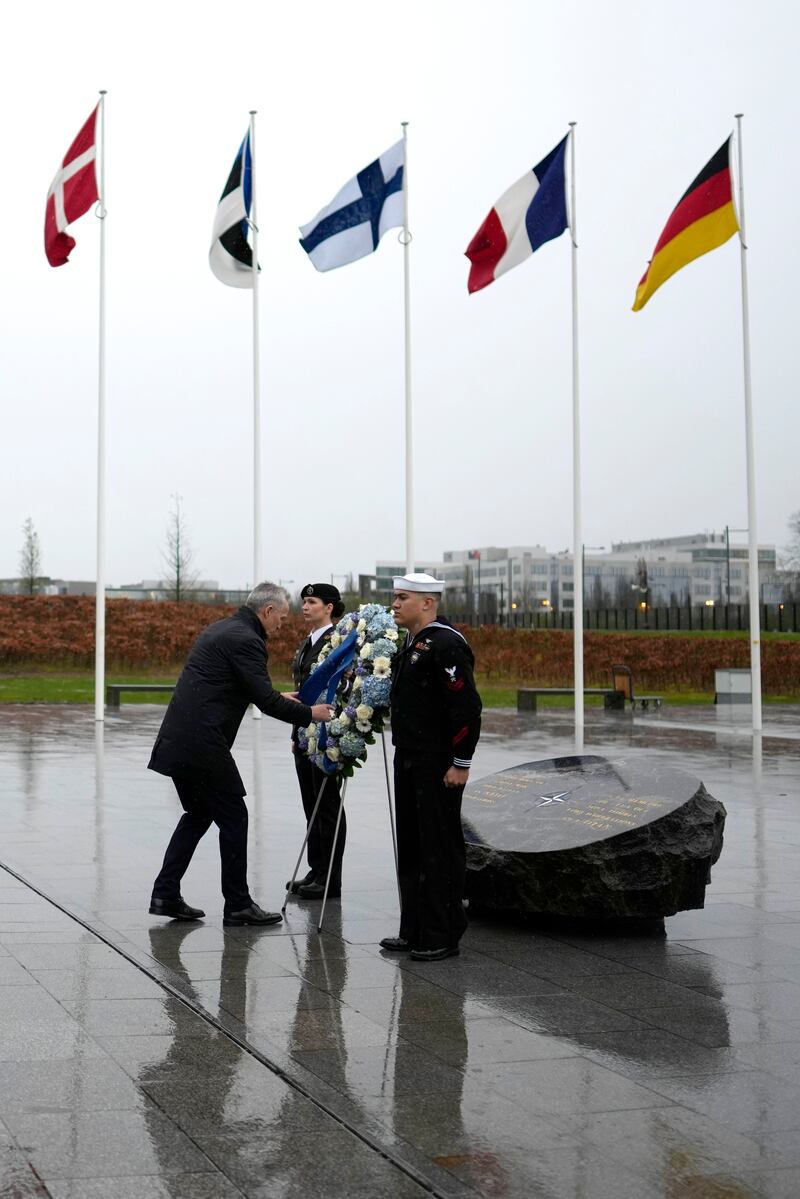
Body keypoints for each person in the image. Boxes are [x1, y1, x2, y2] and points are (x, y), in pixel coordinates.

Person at [148, 581, 334, 926]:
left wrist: (278, 694)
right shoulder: (248, 640)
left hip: (181, 740)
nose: (282, 623)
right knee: (234, 817)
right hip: (203, 745)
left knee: (199, 814)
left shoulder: (223, 628)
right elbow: (264, 700)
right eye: (281, 616)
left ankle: (166, 893)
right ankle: (237, 904)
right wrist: (312, 713)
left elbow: (241, 686)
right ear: (267, 611)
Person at [380, 573, 482, 961]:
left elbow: (466, 708)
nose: (395, 604)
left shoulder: (446, 644)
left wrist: (461, 762)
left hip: (438, 762)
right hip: (409, 754)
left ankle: (442, 933)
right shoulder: (413, 643)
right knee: (412, 845)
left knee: (438, 847)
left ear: (427, 602)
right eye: (394, 597)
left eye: (402, 597)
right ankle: (414, 928)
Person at [287, 582, 347, 900]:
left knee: (327, 805)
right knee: (311, 803)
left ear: (329, 607)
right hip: (304, 732)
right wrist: (295, 734)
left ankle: (330, 878)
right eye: (304, 602)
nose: (305, 606)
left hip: (326, 734)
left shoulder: (338, 641)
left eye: (312, 602)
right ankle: (316, 869)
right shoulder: (309, 642)